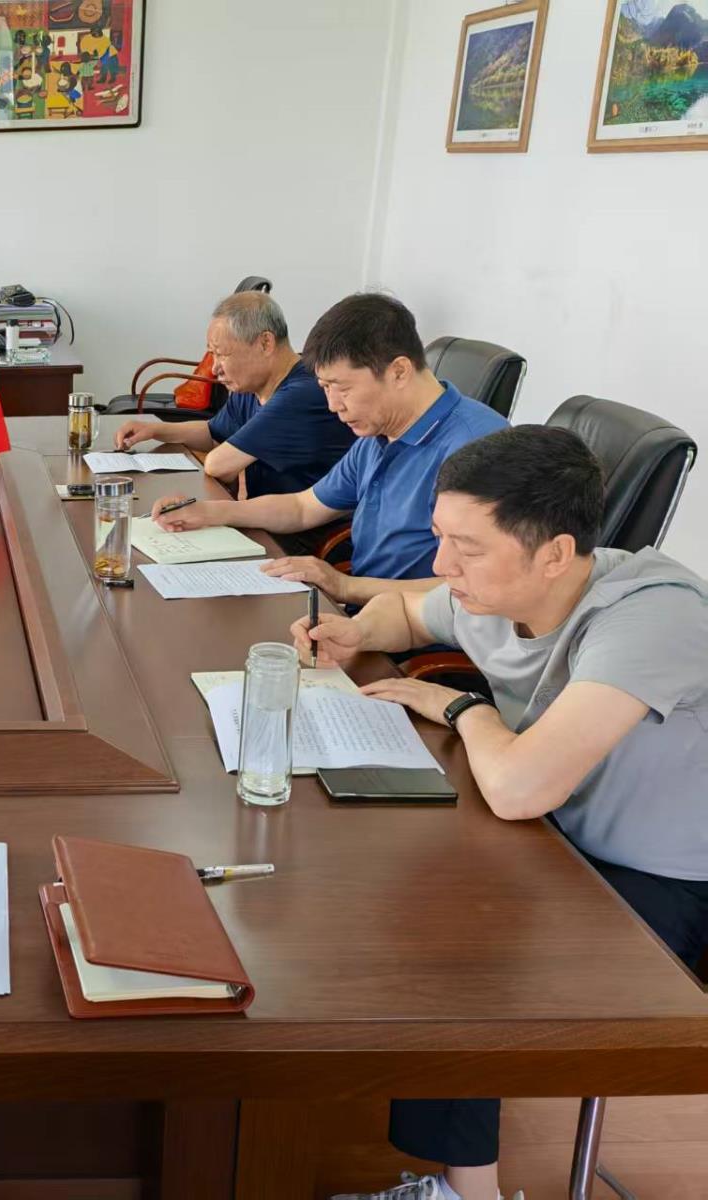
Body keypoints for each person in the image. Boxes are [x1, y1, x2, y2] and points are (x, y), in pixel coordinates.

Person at [295, 427, 708, 1200]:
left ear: (554, 553)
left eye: (466, 547)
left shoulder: (652, 618)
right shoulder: (495, 593)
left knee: (457, 952)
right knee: (400, 888)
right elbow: (410, 616)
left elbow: (519, 789)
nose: (443, 564)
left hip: (661, 883)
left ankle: (467, 1192)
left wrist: (465, 709)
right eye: (440, 537)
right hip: (560, 841)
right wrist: (354, 630)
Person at [150, 293, 508, 608]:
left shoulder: (479, 449)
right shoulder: (378, 433)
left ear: (398, 371)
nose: (334, 406)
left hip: (422, 640)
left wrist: (345, 587)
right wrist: (210, 512)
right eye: (324, 388)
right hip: (366, 612)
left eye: (342, 388)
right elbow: (303, 507)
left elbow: (476, 589)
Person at [115, 291, 355, 498]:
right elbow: (213, 433)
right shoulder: (252, 385)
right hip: (268, 517)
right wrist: (155, 430)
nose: (214, 368)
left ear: (265, 343)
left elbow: (218, 465)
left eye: (222, 354)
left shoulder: (301, 394)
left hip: (304, 530)